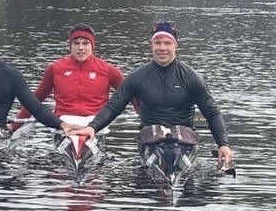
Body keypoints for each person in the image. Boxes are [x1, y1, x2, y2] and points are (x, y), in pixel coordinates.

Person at [68, 21, 233, 169]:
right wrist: (92, 127)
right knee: (155, 133)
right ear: (151, 45)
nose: (162, 48)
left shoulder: (191, 77)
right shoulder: (138, 77)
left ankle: (173, 165)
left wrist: (223, 145)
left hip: (183, 135)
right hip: (151, 136)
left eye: (167, 43)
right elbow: (114, 106)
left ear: (176, 46)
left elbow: (211, 113)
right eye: (158, 43)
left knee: (178, 135)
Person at [15, 23, 125, 123]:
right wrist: (14, 126)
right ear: (70, 46)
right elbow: (35, 100)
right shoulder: (55, 69)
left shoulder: (108, 70)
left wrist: (142, 116)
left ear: (92, 46)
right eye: (76, 43)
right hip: (63, 121)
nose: (81, 48)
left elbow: (130, 94)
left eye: (85, 43)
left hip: (95, 122)